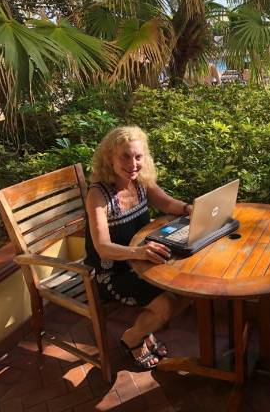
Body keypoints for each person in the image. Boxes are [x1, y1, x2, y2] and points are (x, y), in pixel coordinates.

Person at [85, 126, 192, 370]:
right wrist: (139, 252)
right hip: (111, 272)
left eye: (138, 156)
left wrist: (188, 208)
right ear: (109, 158)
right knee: (165, 306)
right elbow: (102, 247)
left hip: (142, 260)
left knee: (188, 292)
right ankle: (132, 338)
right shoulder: (98, 194)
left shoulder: (140, 181)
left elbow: (165, 202)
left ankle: (147, 329)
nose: (133, 164)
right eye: (125, 156)